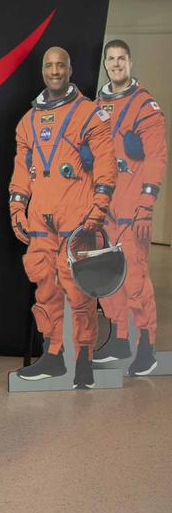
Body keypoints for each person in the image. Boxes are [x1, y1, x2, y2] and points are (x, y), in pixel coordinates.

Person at [9, 46, 117, 388]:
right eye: (49, 65)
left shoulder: (90, 115)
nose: (54, 71)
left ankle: (83, 359)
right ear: (43, 71)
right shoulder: (28, 122)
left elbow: (105, 165)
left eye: (61, 65)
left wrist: (98, 210)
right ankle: (53, 356)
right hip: (41, 217)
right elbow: (22, 169)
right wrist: (16, 205)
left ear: (70, 70)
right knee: (45, 288)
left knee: (79, 290)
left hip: (78, 216)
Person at [93, 39, 166, 375]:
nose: (116, 64)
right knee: (109, 279)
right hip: (105, 207)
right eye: (111, 59)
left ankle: (147, 349)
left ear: (130, 63)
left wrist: (146, 205)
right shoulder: (99, 104)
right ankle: (121, 338)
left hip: (132, 208)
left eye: (122, 59)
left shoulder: (144, 105)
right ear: (106, 64)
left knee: (134, 278)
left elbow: (157, 158)